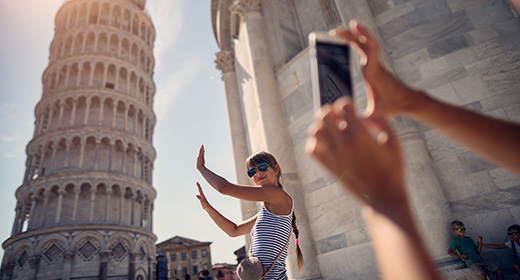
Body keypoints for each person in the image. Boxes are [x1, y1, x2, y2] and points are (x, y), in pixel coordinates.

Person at [195, 145, 303, 279]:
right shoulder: (267, 212)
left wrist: (201, 168)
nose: (257, 173)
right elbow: (233, 231)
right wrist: (208, 208)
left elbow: (224, 188)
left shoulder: (277, 195)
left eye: (262, 167)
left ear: (276, 169)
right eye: (251, 172)